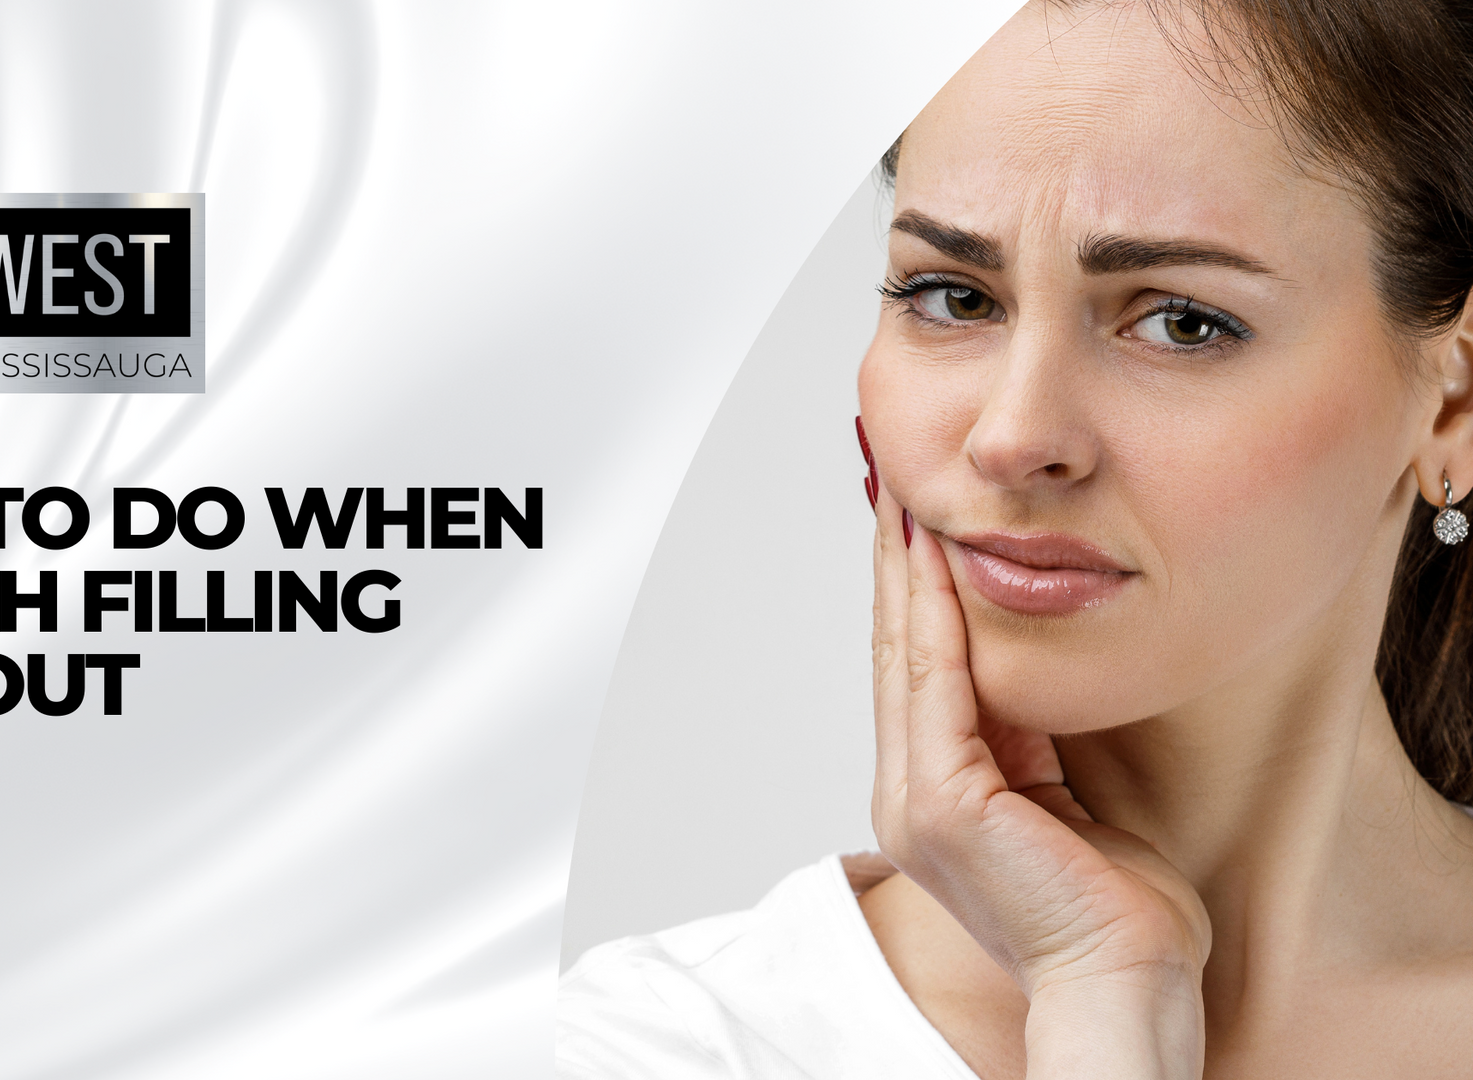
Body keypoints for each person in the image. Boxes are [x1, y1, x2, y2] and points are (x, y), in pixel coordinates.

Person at [555, 1, 1473, 1076]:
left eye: (1180, 320)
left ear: (1453, 403)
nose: (1012, 437)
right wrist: (1104, 997)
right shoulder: (656, 1050)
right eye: (952, 297)